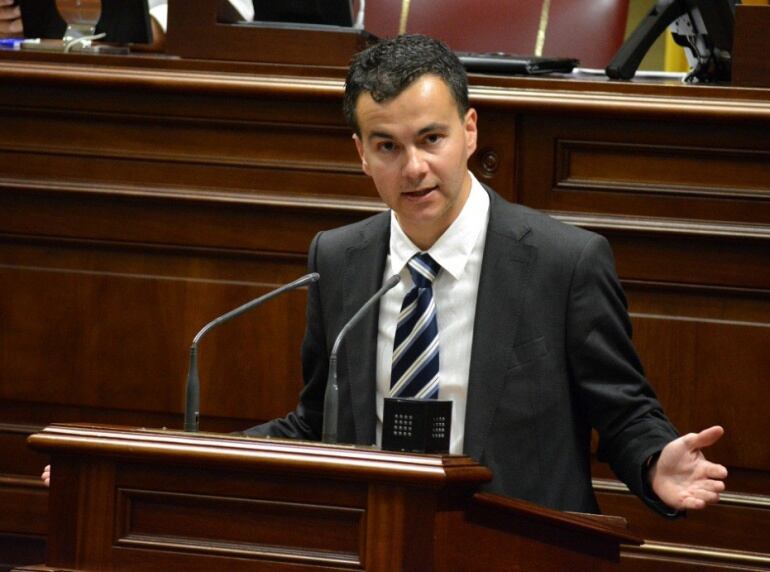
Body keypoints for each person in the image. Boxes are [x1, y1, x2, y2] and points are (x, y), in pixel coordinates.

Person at [46, 35, 728, 516]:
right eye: (387, 146)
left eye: (430, 139)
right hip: (370, 542)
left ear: (469, 129)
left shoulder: (563, 262)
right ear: (359, 154)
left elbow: (622, 409)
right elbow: (317, 422)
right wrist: (148, 462)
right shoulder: (338, 259)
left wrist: (651, 462)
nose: (414, 169)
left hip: (520, 545)